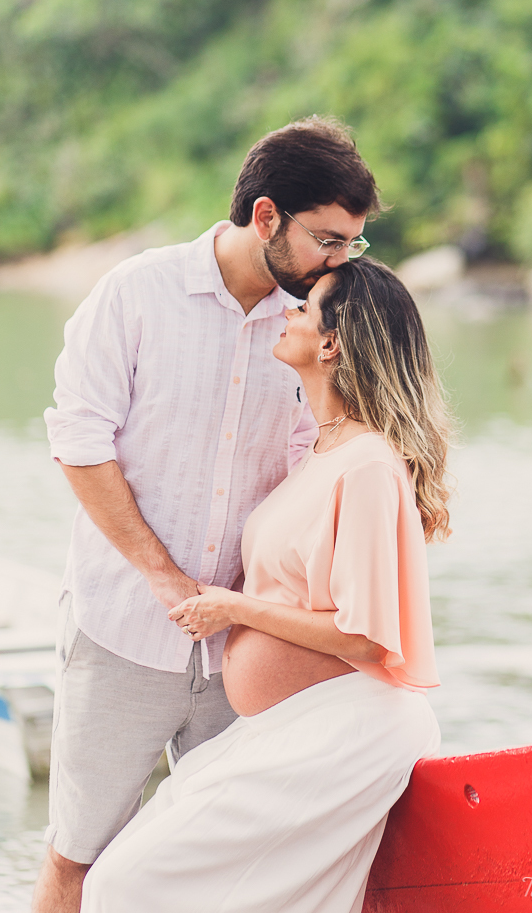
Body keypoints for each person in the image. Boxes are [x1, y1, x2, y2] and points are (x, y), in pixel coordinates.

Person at [32, 118, 381, 913]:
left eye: (352, 246)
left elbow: (319, 458)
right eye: (329, 240)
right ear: (266, 216)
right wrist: (165, 580)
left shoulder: (315, 327)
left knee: (224, 879)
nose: (341, 263)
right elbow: (79, 442)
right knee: (79, 857)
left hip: (249, 652)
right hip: (121, 630)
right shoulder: (134, 293)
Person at [81, 256, 451, 913]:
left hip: (344, 730)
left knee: (122, 883)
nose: (289, 310)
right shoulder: (324, 450)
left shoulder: (366, 464)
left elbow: (366, 637)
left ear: (332, 342)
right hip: (290, 731)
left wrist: (232, 608)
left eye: (305, 309)